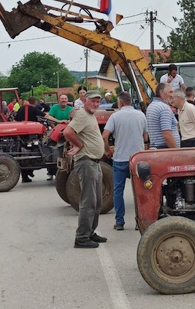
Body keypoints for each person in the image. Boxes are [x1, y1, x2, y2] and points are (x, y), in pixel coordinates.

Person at [63, 90, 108, 248]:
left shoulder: (90, 115)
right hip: (87, 161)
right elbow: (68, 132)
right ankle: (81, 237)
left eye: (98, 101)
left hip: (94, 162)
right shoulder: (82, 115)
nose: (96, 104)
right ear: (85, 101)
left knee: (96, 201)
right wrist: (79, 145)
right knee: (88, 201)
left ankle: (90, 232)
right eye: (93, 101)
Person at [102, 92, 148, 230]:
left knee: (118, 190)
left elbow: (105, 136)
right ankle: (139, 221)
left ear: (120, 103)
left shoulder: (115, 116)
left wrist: (108, 151)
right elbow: (145, 138)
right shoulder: (141, 115)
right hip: (137, 158)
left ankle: (120, 221)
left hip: (120, 158)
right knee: (139, 190)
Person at [18, 97, 45, 183]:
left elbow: (16, 119)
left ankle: (25, 175)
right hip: (33, 134)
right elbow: (44, 116)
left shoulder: (21, 109)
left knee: (22, 153)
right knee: (35, 150)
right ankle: (29, 171)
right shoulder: (34, 109)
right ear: (35, 102)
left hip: (21, 134)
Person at [146, 83, 180, 148]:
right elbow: (167, 135)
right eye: (170, 92)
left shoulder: (151, 106)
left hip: (157, 149)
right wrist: (176, 151)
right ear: (161, 93)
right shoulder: (164, 108)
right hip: (166, 150)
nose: (172, 95)